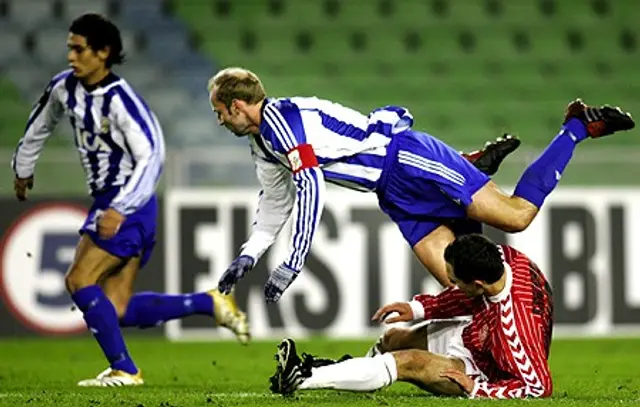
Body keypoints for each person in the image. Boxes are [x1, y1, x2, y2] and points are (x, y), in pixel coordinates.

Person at [209, 67, 634, 302]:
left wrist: (292, 262)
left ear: (237, 105)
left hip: (408, 159)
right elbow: (276, 203)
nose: (220, 121)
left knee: (517, 218)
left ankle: (576, 127)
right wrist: (249, 254)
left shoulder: (282, 122)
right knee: (458, 282)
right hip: (392, 193)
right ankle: (471, 167)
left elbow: (311, 185)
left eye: (220, 112)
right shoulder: (263, 143)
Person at [11, 14, 249, 387]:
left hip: (129, 202)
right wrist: (23, 167)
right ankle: (209, 302)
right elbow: (39, 123)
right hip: (117, 204)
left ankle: (125, 370)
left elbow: (152, 156)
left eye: (79, 49)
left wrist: (120, 207)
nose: (71, 56)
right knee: (116, 309)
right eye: (69, 48)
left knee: (79, 279)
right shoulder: (64, 88)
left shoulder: (123, 102)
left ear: (103, 53)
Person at [269, 234, 554, 399]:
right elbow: (468, 295)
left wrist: (480, 390)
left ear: (477, 284)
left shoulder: (513, 329)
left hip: (486, 367)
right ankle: (351, 374)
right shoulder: (501, 258)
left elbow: (538, 386)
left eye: (456, 280)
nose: (452, 284)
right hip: (477, 331)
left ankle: (303, 377)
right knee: (394, 338)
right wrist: (419, 308)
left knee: (409, 362)